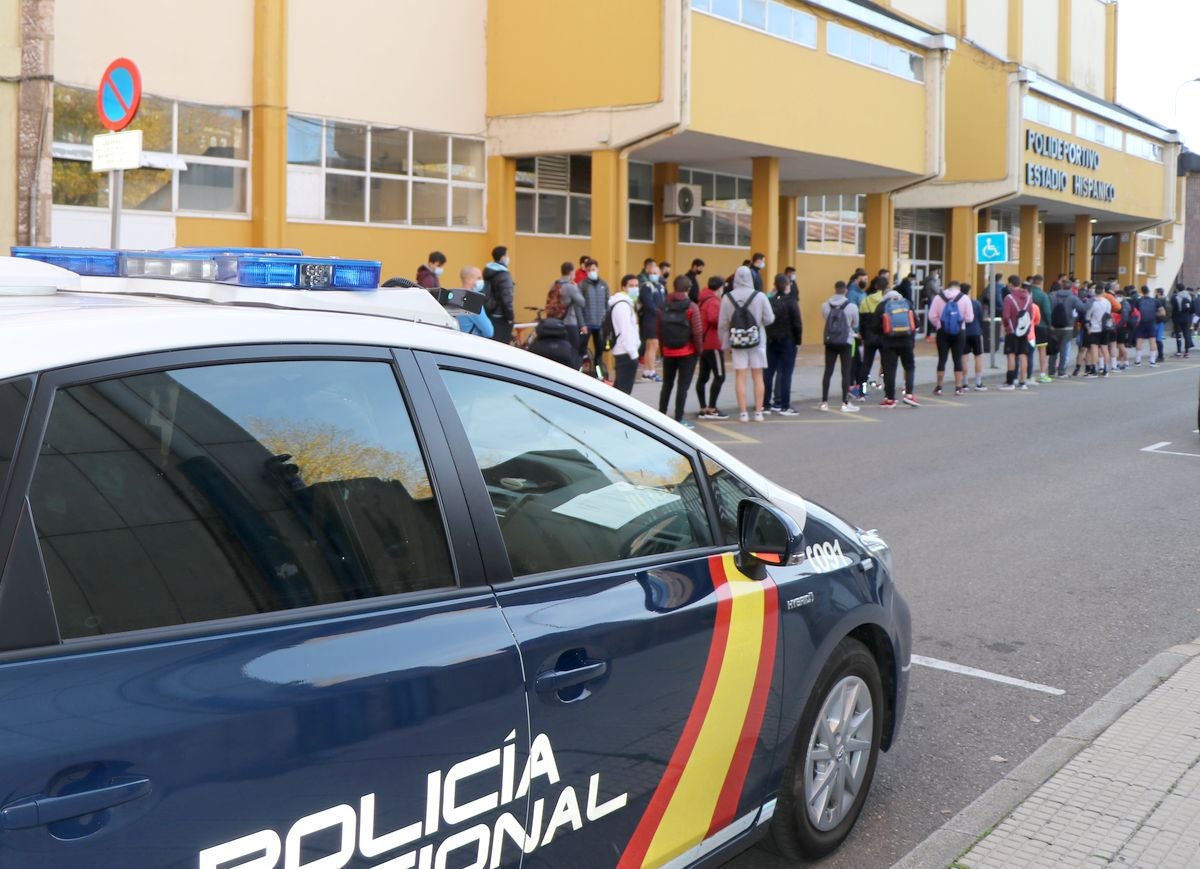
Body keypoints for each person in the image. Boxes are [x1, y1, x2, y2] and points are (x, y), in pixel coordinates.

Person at [719, 265, 775, 422]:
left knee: (740, 375)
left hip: (737, 341)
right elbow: (770, 319)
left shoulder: (727, 297)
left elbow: (723, 324)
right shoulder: (760, 296)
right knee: (758, 375)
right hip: (757, 340)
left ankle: (743, 413)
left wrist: (726, 343)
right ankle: (758, 412)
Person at [657, 275, 703, 428]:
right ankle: (678, 418)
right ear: (688, 289)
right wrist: (699, 351)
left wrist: (663, 350)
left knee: (667, 384)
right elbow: (697, 332)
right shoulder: (692, 307)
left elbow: (659, 330)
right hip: (687, 352)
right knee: (682, 386)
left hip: (668, 351)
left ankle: (661, 414)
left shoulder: (663, 305)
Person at [764, 273, 803, 415]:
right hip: (787, 340)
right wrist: (798, 341)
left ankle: (765, 404)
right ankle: (784, 405)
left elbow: (766, 320)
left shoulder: (770, 301)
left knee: (768, 372)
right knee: (786, 373)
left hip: (772, 340)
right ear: (787, 286)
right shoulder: (791, 302)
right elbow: (797, 324)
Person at [819, 280, 861, 413]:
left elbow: (826, 318)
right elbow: (855, 324)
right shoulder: (852, 306)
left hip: (830, 341)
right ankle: (845, 402)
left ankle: (824, 402)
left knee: (828, 371)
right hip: (846, 341)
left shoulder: (825, 305)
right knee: (846, 371)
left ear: (834, 289)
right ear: (846, 291)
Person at [928, 279, 974, 395]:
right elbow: (969, 318)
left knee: (942, 359)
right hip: (959, 332)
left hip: (942, 332)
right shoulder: (964, 298)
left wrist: (939, 324)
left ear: (947, 287)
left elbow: (932, 316)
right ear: (958, 288)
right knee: (957, 359)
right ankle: (958, 387)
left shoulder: (938, 298)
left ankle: (939, 387)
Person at [878, 282, 919, 407]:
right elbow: (916, 323)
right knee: (909, 367)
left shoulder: (882, 306)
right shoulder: (907, 304)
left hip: (888, 342)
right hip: (906, 341)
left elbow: (874, 326)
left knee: (889, 369)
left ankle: (890, 398)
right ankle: (909, 394)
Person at [695, 276, 728, 420]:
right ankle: (712, 408)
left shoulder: (703, 298)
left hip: (703, 343)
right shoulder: (713, 301)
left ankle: (703, 407)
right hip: (713, 343)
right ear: (719, 287)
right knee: (720, 376)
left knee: (703, 377)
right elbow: (714, 319)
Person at [999, 274, 1038, 389]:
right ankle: (1023, 382)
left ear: (1011, 284)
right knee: (1023, 355)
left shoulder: (1009, 298)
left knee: (1011, 355)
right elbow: (1030, 315)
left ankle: (1010, 382)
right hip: (1024, 330)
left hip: (1012, 330)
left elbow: (1006, 316)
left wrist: (1007, 328)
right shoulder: (1028, 297)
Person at [607, 274, 640, 393]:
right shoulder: (622, 305)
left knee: (620, 390)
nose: (635, 288)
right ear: (623, 287)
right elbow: (626, 331)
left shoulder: (627, 304)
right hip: (626, 353)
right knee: (624, 392)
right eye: (631, 286)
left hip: (625, 351)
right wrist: (633, 354)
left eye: (636, 285)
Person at [1048, 280, 1086, 378]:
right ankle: (1062, 372)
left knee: (1053, 349)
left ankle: (1051, 370)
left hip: (1053, 326)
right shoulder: (1073, 298)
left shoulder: (1052, 296)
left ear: (1061, 286)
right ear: (1071, 287)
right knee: (1064, 349)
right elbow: (1082, 309)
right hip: (1067, 327)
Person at [550, 261, 587, 353]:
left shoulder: (554, 284)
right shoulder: (570, 287)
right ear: (571, 273)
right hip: (569, 323)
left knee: (559, 351)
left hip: (554, 322)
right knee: (573, 350)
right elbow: (582, 302)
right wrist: (576, 287)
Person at [858, 276, 888, 392]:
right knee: (886, 364)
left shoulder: (866, 300)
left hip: (869, 336)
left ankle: (862, 392)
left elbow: (862, 320)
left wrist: (863, 335)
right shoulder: (887, 301)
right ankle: (887, 391)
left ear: (875, 286)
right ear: (886, 287)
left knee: (866, 364)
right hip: (884, 336)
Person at [580, 260, 611, 369]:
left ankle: (599, 374)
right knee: (582, 350)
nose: (591, 272)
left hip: (600, 324)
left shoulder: (604, 284)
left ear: (597, 269)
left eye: (593, 269)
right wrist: (582, 323)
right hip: (587, 324)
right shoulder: (583, 285)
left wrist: (607, 322)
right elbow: (580, 306)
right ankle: (580, 372)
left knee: (600, 350)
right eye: (588, 270)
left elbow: (608, 304)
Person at [637, 258, 664, 382]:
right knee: (652, 346)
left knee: (651, 347)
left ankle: (647, 372)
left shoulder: (660, 286)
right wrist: (660, 314)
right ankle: (651, 371)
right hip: (650, 320)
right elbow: (649, 304)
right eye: (651, 273)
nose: (653, 275)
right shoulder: (646, 287)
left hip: (657, 319)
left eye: (656, 273)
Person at [482, 246, 515, 344]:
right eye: (507, 255)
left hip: (489, 311)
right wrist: (510, 317)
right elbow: (507, 299)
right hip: (501, 315)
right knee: (501, 346)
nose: (508, 258)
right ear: (502, 257)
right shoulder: (504, 275)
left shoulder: (488, 271)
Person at [455, 265, 494, 338]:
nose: (481, 281)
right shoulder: (472, 300)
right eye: (478, 278)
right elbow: (489, 332)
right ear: (468, 279)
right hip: (472, 344)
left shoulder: (456, 295)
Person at [962, 283, 987, 390]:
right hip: (976, 331)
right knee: (978, 356)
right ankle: (978, 382)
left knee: (964, 357)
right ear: (969, 291)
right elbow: (981, 317)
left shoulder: (959, 303)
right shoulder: (976, 303)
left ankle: (965, 383)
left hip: (964, 332)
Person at [1030, 275, 1053, 383]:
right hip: (1041, 325)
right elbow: (1047, 312)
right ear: (1041, 282)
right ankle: (1042, 374)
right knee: (1042, 351)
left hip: (1028, 326)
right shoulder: (1043, 295)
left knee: (1028, 350)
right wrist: (1049, 323)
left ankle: (1027, 374)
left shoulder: (1027, 293)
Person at [1134, 286, 1159, 366]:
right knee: (1152, 341)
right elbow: (1163, 312)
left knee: (1139, 341)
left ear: (1142, 292)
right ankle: (1152, 361)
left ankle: (1138, 361)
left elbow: (1135, 312)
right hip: (1151, 322)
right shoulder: (1155, 301)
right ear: (1149, 291)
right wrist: (1154, 315)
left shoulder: (1138, 301)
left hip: (1140, 322)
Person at [1171, 285, 1195, 358]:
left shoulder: (1175, 297)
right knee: (1186, 335)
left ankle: (1179, 352)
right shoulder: (1189, 296)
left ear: (1177, 289)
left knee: (1178, 335)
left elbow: (1173, 309)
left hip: (1177, 319)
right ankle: (1186, 352)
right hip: (1187, 318)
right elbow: (1193, 309)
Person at [1154, 287, 1169, 362]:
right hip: (1162, 321)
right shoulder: (1166, 299)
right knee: (1158, 339)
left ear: (1158, 293)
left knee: (1158, 339)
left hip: (1158, 321)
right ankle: (1160, 355)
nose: (1154, 293)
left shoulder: (1159, 300)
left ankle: (1160, 356)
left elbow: (1159, 311)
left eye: (1155, 292)